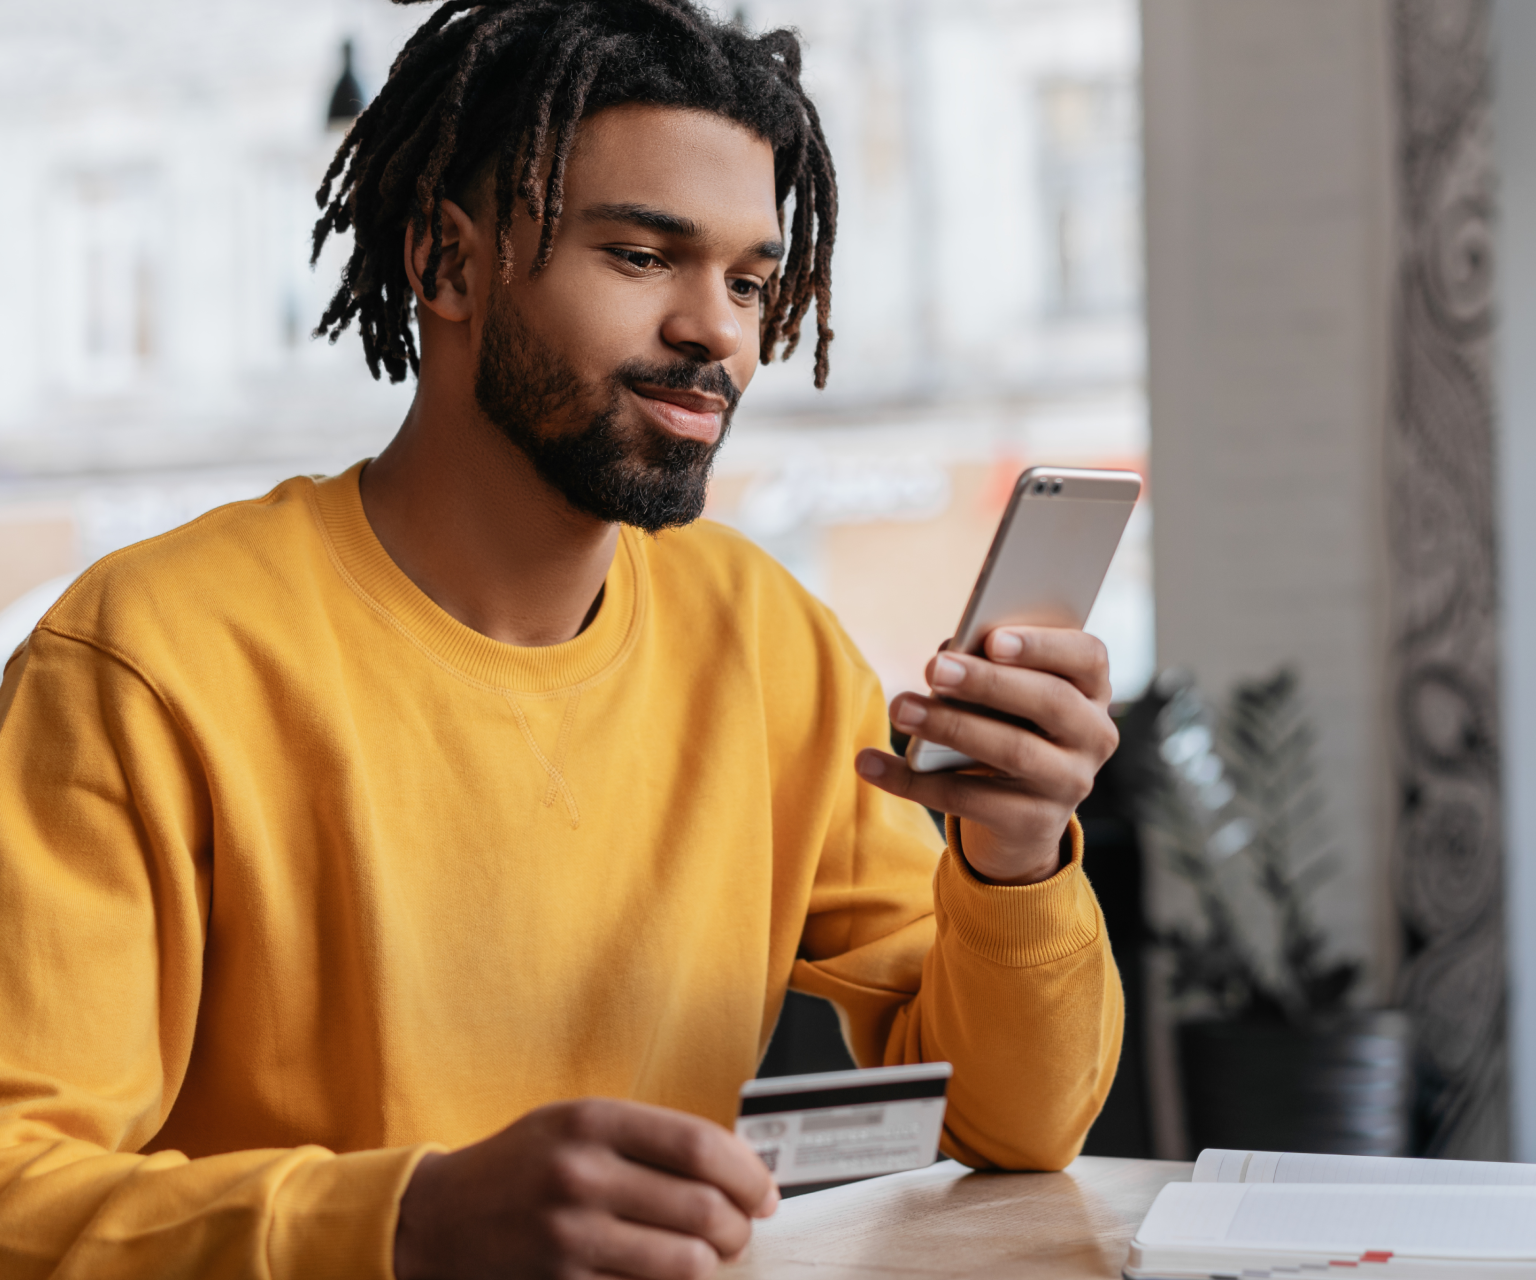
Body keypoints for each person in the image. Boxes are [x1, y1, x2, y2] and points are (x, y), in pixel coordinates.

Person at [0, 2, 1124, 1277]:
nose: (720, 332)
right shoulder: (147, 659)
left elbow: (1012, 1121)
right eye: (644, 255)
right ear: (448, 263)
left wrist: (1018, 853)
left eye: (751, 281)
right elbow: (14, 1188)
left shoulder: (767, 640)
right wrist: (410, 1220)